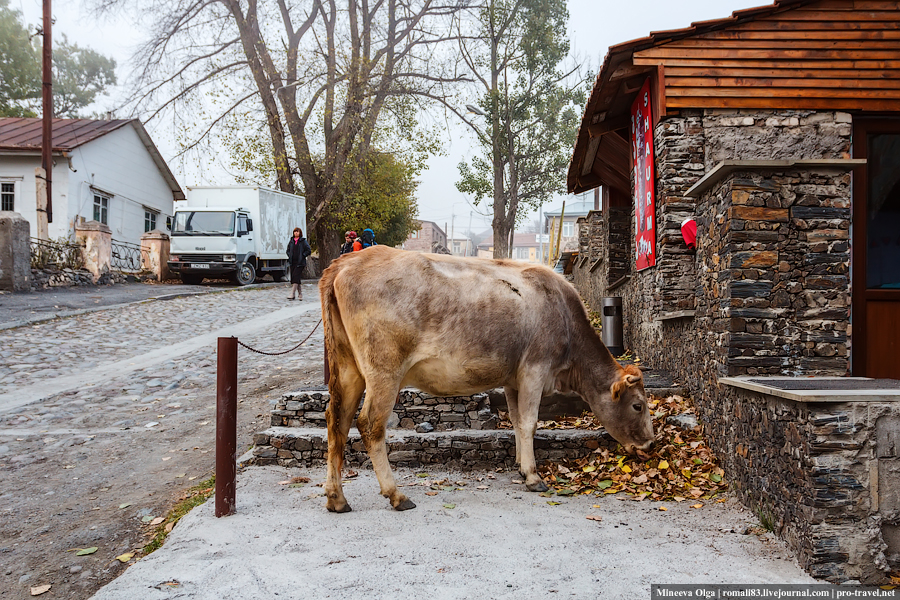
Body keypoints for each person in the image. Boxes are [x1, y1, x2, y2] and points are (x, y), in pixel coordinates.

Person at [286, 227, 311, 300]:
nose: (296, 233)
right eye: (295, 232)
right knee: (295, 278)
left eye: (297, 232)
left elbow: (308, 250)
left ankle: (292, 293)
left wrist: (303, 255)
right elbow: (288, 250)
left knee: (296, 277)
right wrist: (289, 255)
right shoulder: (291, 241)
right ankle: (300, 294)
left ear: (300, 233)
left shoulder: (303, 241)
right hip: (293, 262)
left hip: (300, 263)